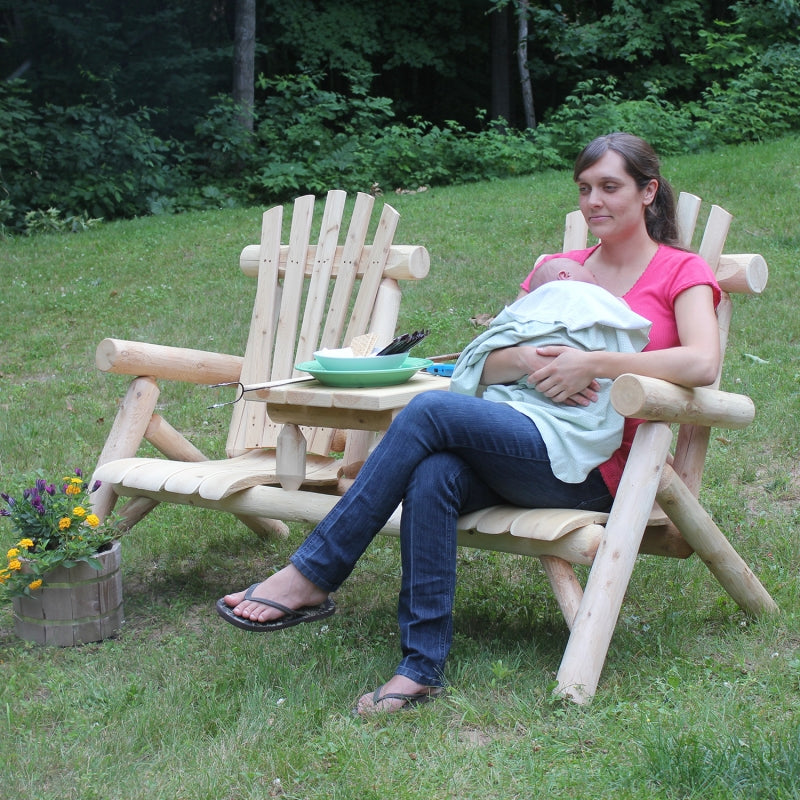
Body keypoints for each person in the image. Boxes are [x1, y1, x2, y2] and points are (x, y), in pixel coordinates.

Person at [217, 132, 721, 716]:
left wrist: (599, 362)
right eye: (584, 189)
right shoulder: (557, 272)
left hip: (600, 470)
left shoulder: (682, 272)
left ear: (648, 191)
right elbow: (484, 359)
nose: (594, 202)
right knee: (434, 472)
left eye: (610, 187)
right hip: (523, 439)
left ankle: (314, 573)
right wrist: (527, 363)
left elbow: (702, 364)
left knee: (429, 411)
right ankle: (420, 666)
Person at [449, 257, 651, 484]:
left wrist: (589, 364)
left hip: (572, 440)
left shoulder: (677, 269)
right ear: (565, 277)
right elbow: (488, 355)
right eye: (592, 280)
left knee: (430, 410)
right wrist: (525, 358)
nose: (599, 289)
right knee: (437, 470)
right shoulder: (568, 289)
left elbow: (472, 361)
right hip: (519, 413)